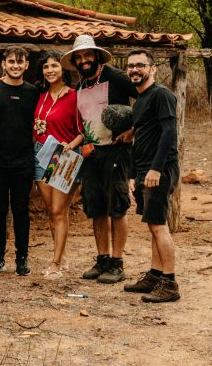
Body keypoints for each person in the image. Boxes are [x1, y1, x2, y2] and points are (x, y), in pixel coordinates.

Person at [61, 34, 137, 284]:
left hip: (116, 151)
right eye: (79, 57)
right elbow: (85, 124)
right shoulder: (81, 86)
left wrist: (132, 130)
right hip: (91, 153)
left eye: (87, 56)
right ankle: (102, 258)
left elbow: (146, 99)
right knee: (96, 207)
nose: (84, 60)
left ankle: (117, 262)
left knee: (117, 206)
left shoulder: (115, 77)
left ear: (96, 56)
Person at [0, 46, 40, 276]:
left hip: (23, 161)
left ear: (27, 65)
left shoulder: (33, 92)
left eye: (20, 62)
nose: (15, 65)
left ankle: (22, 258)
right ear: (4, 63)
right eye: (11, 61)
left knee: (21, 210)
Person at [123, 49, 181, 303]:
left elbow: (169, 133)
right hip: (145, 171)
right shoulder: (140, 99)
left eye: (140, 65)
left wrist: (156, 169)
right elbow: (141, 138)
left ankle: (170, 284)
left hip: (160, 170)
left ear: (153, 68)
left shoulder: (162, 94)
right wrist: (134, 174)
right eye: (131, 66)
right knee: (153, 225)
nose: (135, 70)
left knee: (159, 226)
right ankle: (156, 275)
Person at [32, 51, 83, 279]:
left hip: (64, 156)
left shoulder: (74, 96)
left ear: (63, 69)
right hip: (41, 155)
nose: (50, 70)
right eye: (46, 67)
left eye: (54, 66)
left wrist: (70, 145)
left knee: (58, 210)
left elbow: (84, 131)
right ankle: (61, 258)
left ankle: (54, 263)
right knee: (51, 212)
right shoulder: (40, 95)